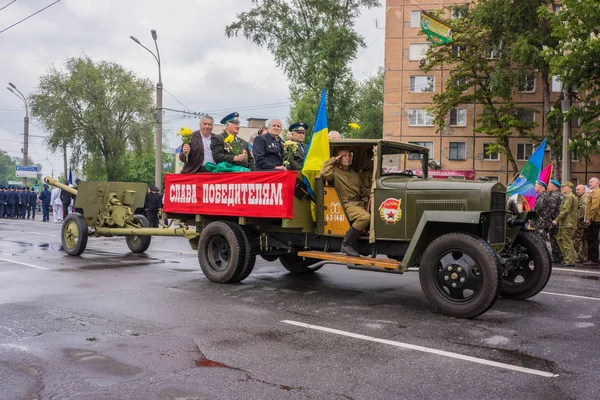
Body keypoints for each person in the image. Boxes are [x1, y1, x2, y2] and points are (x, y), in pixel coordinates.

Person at [319, 148, 371, 257]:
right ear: (339, 158)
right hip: (346, 205)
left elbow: (362, 189)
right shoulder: (334, 171)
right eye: (343, 156)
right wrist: (333, 160)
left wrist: (373, 192)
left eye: (349, 155)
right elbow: (324, 173)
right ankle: (346, 244)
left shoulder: (353, 173)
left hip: (360, 202)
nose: (347, 158)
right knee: (365, 217)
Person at [553, 181, 578, 267]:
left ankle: (570, 261)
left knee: (567, 242)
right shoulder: (569, 196)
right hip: (565, 223)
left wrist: (556, 219)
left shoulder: (569, 197)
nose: (562, 188)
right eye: (562, 187)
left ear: (569, 188)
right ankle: (567, 258)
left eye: (564, 187)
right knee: (559, 239)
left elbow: (565, 210)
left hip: (567, 223)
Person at [546, 179, 564, 263]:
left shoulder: (554, 196)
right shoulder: (561, 195)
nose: (548, 187)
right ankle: (560, 256)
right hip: (560, 220)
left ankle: (556, 256)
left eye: (549, 185)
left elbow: (551, 209)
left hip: (554, 221)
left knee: (554, 239)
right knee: (558, 239)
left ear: (553, 186)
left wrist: (548, 220)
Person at [584, 177, 600, 265]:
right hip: (595, 219)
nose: (589, 183)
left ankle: (593, 259)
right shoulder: (593, 192)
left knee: (592, 239)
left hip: (595, 219)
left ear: (597, 183)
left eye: (591, 182)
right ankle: (592, 258)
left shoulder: (596, 192)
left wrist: (590, 218)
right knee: (591, 238)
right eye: (589, 182)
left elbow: (595, 206)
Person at [574, 184, 589, 263]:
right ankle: (584, 257)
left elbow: (583, 209)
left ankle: (582, 257)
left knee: (576, 240)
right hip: (583, 223)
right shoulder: (581, 197)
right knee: (583, 240)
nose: (577, 191)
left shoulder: (584, 197)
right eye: (576, 190)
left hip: (581, 223)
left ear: (583, 190)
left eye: (578, 190)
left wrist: (577, 219)